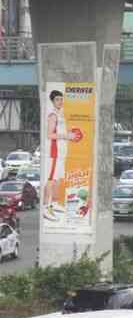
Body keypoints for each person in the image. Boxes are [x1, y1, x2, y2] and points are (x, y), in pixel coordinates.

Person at [43, 90, 79, 222]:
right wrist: (66, 136)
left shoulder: (61, 114)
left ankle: (55, 203)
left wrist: (69, 135)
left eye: (61, 99)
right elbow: (49, 135)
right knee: (51, 179)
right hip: (54, 153)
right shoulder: (53, 115)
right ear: (52, 101)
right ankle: (46, 207)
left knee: (58, 179)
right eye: (57, 99)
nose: (60, 101)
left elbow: (62, 132)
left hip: (62, 152)